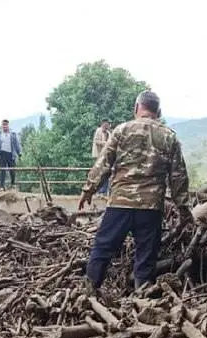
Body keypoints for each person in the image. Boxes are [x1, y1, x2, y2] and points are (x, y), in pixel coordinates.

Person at [79, 91, 191, 293]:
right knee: (146, 255)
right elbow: (178, 177)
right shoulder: (169, 136)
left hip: (120, 203)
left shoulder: (122, 130)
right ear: (158, 111)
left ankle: (88, 293)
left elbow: (103, 163)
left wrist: (89, 189)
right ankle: (143, 297)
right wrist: (184, 208)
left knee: (103, 248)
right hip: (151, 207)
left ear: (136, 107)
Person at [0, 119, 22, 190]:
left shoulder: (13, 134)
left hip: (11, 154)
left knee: (12, 170)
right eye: (3, 125)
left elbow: (17, 144)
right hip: (2, 154)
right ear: (2, 125)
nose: (5, 126)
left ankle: (12, 184)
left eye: (6, 125)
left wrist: (19, 153)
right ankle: (2, 186)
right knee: (2, 171)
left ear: (8, 125)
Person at [92, 119, 112, 194]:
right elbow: (96, 141)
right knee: (98, 173)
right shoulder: (98, 131)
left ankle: (103, 190)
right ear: (103, 124)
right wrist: (105, 143)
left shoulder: (109, 133)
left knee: (106, 172)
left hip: (105, 155)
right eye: (106, 124)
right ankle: (98, 190)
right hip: (99, 155)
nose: (107, 126)